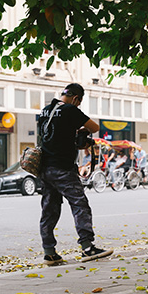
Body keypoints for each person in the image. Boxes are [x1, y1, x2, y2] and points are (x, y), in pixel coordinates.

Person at [37, 83, 112, 265]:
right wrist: (81, 133)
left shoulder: (46, 111)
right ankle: (88, 247)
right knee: (80, 204)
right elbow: (94, 127)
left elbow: (54, 137)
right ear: (77, 98)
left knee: (49, 209)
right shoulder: (71, 109)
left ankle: (49, 252)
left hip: (45, 168)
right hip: (63, 168)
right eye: (79, 102)